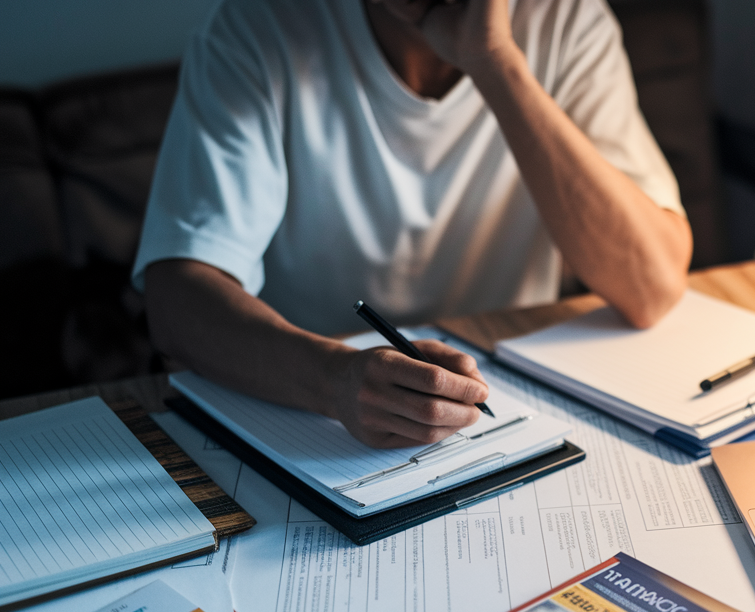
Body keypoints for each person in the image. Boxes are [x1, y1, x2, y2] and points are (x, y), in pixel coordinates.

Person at [134, 0, 692, 449]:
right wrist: (335, 380)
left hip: (508, 403)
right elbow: (178, 300)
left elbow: (651, 287)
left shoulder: (566, 18)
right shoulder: (259, 24)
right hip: (306, 411)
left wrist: (495, 62)